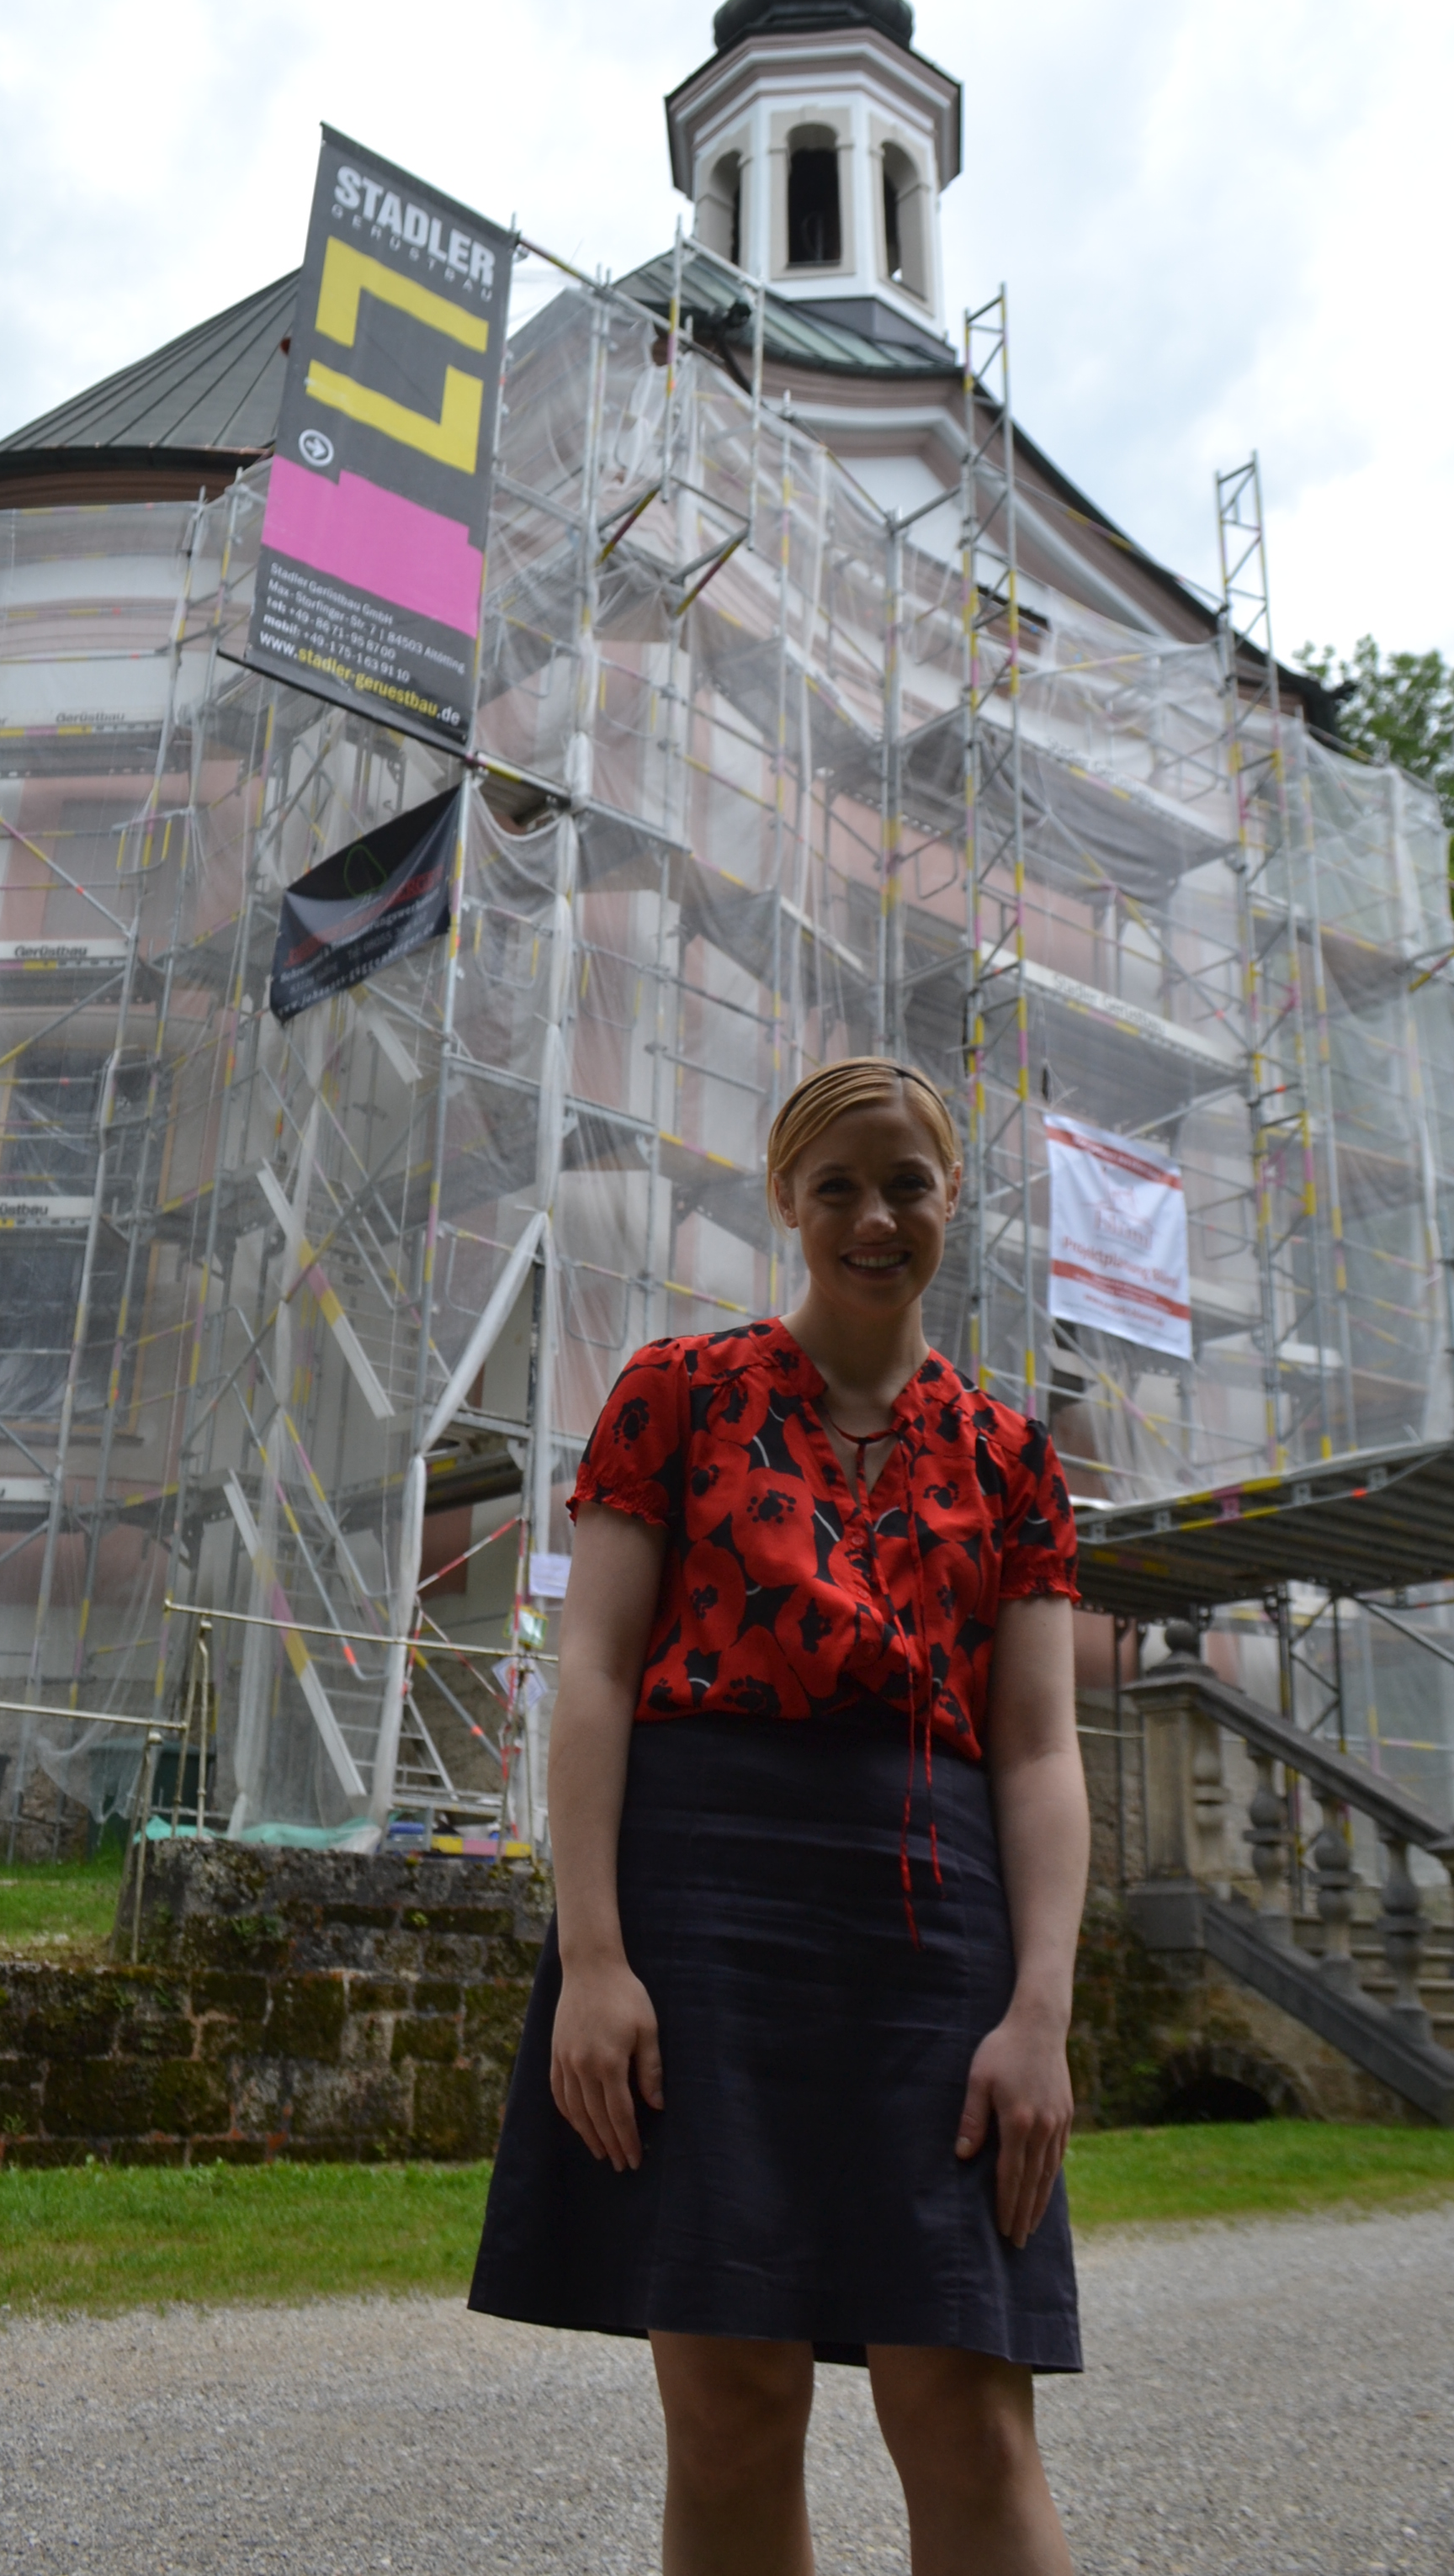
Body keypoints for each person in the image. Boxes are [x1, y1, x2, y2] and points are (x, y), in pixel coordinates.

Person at [470, 1057, 1090, 2576]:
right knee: (732, 2409)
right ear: (786, 1204)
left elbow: (1036, 1752)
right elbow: (592, 1673)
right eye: (838, 1189)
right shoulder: (676, 1395)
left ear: (952, 1199)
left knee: (968, 2411)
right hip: (705, 1920)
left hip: (937, 1938)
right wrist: (595, 1959)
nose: (875, 1219)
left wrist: (1041, 2016)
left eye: (907, 1186)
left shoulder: (1014, 1459)